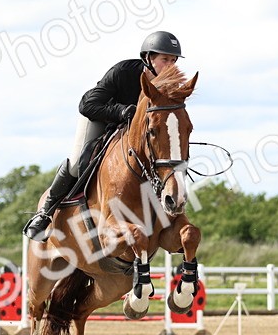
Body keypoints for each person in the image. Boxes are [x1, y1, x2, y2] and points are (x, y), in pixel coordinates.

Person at [23, 31, 184, 242]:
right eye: (165, 59)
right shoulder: (123, 72)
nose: (170, 66)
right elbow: (87, 104)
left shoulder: (169, 86)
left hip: (136, 137)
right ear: (148, 58)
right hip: (101, 118)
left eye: (173, 60)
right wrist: (121, 111)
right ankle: (45, 213)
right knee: (75, 164)